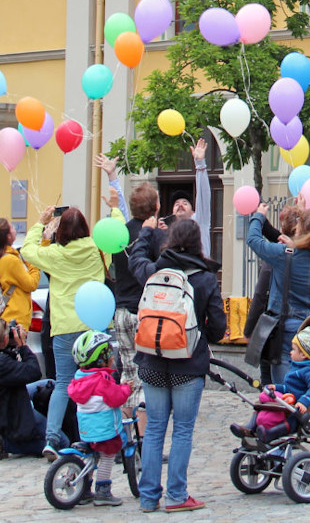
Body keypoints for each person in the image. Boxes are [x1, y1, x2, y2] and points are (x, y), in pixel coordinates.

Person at [128, 218, 226, 513]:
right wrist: (200, 337)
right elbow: (219, 327)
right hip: (188, 363)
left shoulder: (155, 271)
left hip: (152, 360)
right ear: (199, 243)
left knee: (155, 428)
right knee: (182, 430)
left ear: (169, 239)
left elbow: (135, 260)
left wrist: (146, 231)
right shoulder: (206, 278)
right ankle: (176, 495)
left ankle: (148, 497)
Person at [20, 196, 122, 460]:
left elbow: (28, 250)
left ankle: (52, 438)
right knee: (101, 381)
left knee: (64, 383)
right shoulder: (99, 248)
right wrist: (113, 206)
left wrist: (41, 224)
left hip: (65, 327)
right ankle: (100, 436)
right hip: (96, 326)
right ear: (87, 229)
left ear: (61, 231)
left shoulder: (55, 254)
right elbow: (118, 228)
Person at [247, 203, 310, 382]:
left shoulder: (284, 255)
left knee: (286, 386)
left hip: (288, 326)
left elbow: (253, 240)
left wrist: (259, 216)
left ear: (299, 230)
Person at [0, 318, 65, 459]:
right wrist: (22, 346)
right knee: (63, 443)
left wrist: (8, 346)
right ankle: (5, 443)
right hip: (4, 412)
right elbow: (34, 371)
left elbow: (2, 362)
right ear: (4, 340)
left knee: (50, 384)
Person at [112, 183, 166, 424]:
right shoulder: (156, 236)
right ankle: (144, 442)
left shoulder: (120, 234)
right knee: (148, 378)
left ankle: (128, 441)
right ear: (156, 207)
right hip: (145, 312)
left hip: (122, 309)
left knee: (128, 374)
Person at [68, 331, 132, 506]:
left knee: (90, 457)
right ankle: (103, 490)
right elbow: (116, 397)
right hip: (105, 430)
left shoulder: (79, 378)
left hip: (86, 429)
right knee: (108, 455)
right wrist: (126, 389)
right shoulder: (103, 380)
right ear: (102, 359)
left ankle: (84, 491)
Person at [244, 204, 302, 386]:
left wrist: (249, 329)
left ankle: (271, 412)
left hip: (278, 327)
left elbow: (261, 294)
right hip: (305, 323)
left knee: (271, 384)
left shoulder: (278, 256)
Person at [257, 327, 310, 442]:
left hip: (301, 405)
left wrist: (304, 401)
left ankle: (272, 433)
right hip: (292, 399)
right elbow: (291, 388)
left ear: (303, 355)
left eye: (293, 350)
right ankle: (252, 427)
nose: (290, 352)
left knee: (293, 418)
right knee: (265, 403)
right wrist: (277, 387)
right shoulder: (298, 366)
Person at [0, 218, 41, 329]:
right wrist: (35, 265)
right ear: (8, 236)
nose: (14, 229)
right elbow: (31, 284)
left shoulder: (1, 256)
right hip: (15, 319)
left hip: (8, 318)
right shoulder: (10, 260)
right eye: (12, 227)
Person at [168, 138, 213, 258]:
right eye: (176, 204)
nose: (180, 205)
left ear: (193, 211)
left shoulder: (199, 221)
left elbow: (203, 195)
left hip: (201, 272)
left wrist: (200, 164)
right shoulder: (170, 231)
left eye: (185, 203)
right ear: (172, 212)